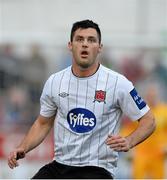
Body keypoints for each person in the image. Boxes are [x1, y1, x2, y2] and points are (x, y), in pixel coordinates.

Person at [7, 19, 156, 179]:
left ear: (99, 48)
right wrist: (23, 147)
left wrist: (129, 141)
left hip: (97, 169)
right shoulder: (55, 81)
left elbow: (149, 120)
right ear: (70, 45)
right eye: (80, 39)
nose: (85, 44)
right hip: (60, 166)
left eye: (91, 40)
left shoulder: (118, 83)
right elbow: (43, 123)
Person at [132, 84, 167, 179]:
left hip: (158, 153)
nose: (152, 97)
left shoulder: (164, 110)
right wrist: (130, 148)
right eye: (150, 95)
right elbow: (130, 129)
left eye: (154, 95)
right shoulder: (140, 111)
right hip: (141, 152)